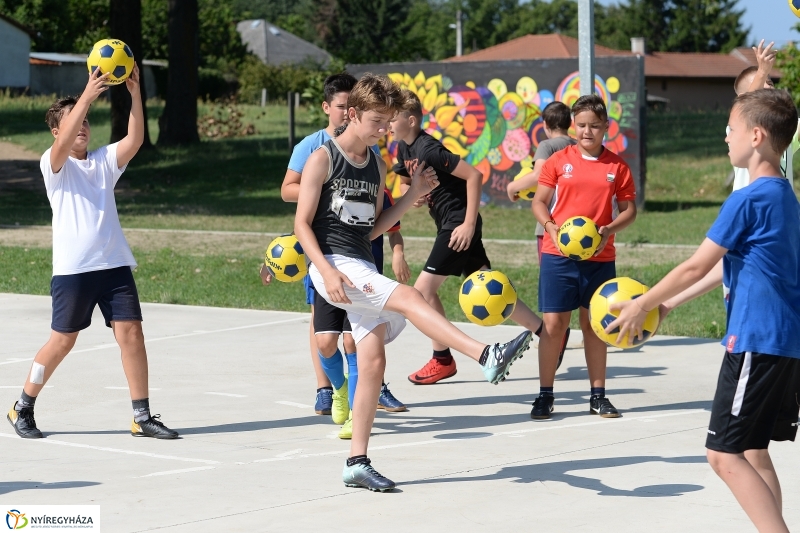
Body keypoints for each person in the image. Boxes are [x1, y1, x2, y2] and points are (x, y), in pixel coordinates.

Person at [295, 74, 532, 491]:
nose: (383, 130)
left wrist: (411, 195)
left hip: (357, 260)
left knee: (371, 363)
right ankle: (484, 354)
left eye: (388, 122)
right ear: (352, 114)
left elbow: (370, 230)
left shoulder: (376, 165)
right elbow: (301, 225)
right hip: (331, 262)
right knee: (408, 296)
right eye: (376, 121)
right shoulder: (323, 158)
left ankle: (356, 462)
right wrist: (326, 272)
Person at [610, 88, 800, 533]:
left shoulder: (748, 199)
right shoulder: (784, 198)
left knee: (723, 454)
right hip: (785, 343)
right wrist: (671, 303)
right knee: (752, 451)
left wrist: (642, 303)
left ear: (755, 136)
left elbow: (698, 263)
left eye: (731, 128)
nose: (724, 136)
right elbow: (737, 267)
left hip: (756, 340)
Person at [6, 65, 178, 440]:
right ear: (58, 132)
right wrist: (85, 95)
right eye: (74, 122)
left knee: (132, 334)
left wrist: (134, 93)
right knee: (62, 341)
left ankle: (142, 416)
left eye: (86, 121)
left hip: (114, 265)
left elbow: (134, 138)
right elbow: (63, 143)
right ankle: (23, 406)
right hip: (74, 271)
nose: (82, 126)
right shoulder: (53, 165)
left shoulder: (103, 162)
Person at [390, 92, 567, 386]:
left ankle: (443, 359)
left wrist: (469, 224)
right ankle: (547, 333)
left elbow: (474, 176)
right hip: (450, 223)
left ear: (410, 120)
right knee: (488, 283)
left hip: (458, 224)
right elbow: (408, 180)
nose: (388, 123)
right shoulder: (403, 149)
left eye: (392, 118)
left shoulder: (429, 148)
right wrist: (417, 195)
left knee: (419, 294)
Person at [265, 73, 405, 426]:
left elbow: (376, 214)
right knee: (327, 340)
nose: (345, 113)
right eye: (340, 107)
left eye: (349, 106)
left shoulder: (372, 157)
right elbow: (289, 194)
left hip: (361, 252)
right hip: (325, 253)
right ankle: (333, 387)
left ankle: (361, 406)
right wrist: (325, 191)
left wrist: (409, 201)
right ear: (331, 108)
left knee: (357, 341)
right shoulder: (315, 150)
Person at [530, 94, 637, 420]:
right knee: (553, 326)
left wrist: (607, 229)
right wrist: (550, 227)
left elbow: (629, 211)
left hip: (600, 257)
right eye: (581, 125)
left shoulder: (617, 166)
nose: (587, 131)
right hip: (558, 255)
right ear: (573, 126)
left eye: (594, 125)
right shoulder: (557, 161)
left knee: (595, 326)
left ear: (606, 126)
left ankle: (598, 395)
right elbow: (539, 202)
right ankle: (545, 394)